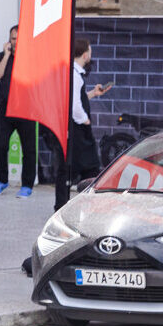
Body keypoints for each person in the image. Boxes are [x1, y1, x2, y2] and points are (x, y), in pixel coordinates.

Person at [56, 39, 109, 208]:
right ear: (85, 55)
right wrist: (85, 120)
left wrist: (93, 93)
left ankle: (64, 204)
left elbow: (76, 98)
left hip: (75, 128)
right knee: (89, 167)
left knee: (70, 168)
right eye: (90, 52)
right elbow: (74, 106)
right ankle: (87, 205)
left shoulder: (74, 74)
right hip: (77, 128)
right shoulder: (74, 75)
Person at [0, 26, 37, 198]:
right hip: (5, 109)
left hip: (26, 109)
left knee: (29, 149)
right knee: (0, 145)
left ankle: (27, 185)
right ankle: (2, 181)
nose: (16, 42)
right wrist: (7, 55)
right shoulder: (1, 57)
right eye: (13, 38)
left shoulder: (32, 58)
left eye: (18, 38)